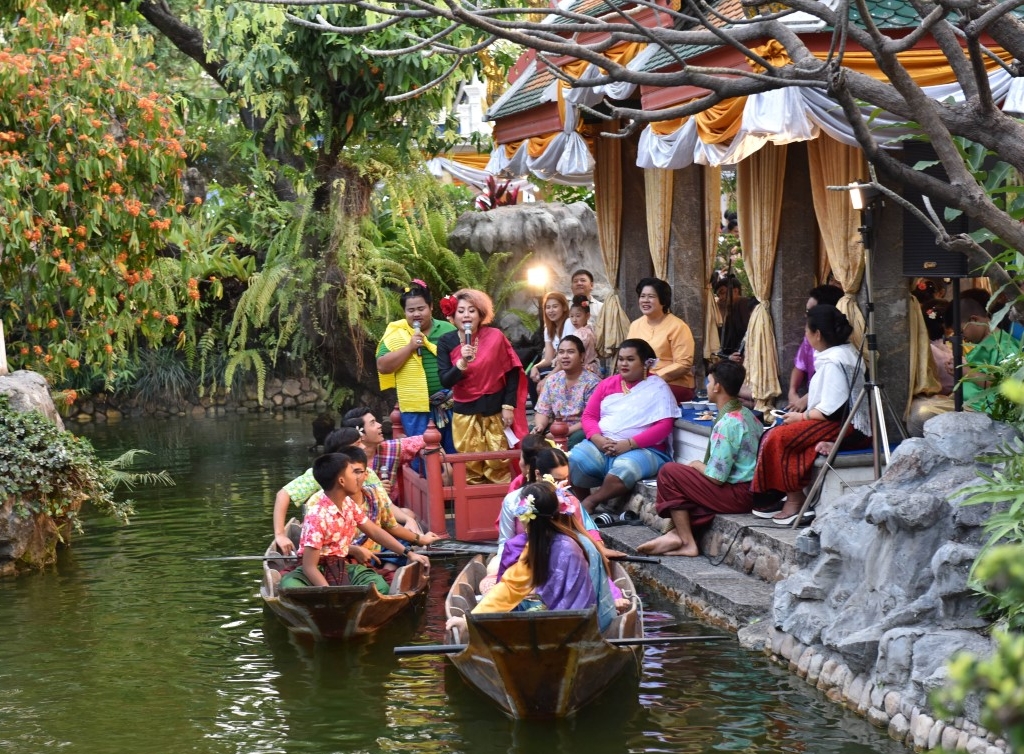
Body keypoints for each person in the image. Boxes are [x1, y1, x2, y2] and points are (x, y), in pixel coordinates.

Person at [446, 482, 621, 634]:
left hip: (576, 624)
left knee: (512, 608)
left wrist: (470, 621)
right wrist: (470, 620)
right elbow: (513, 586)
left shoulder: (561, 547)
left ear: (525, 517)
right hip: (581, 619)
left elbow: (512, 589)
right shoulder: (556, 542)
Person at [752, 305, 871, 525]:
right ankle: (782, 494)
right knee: (777, 433)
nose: (805, 336)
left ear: (817, 334)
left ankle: (795, 500)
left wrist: (802, 417)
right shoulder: (840, 354)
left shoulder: (835, 361)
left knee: (778, 436)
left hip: (846, 424)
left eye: (807, 331)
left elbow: (831, 410)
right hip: (837, 420)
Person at [638, 361, 763, 557]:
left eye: (709, 381)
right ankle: (674, 534)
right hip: (748, 491)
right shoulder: (748, 415)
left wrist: (696, 465)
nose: (706, 385)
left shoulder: (729, 423)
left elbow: (716, 478)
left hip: (739, 494)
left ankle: (686, 541)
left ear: (717, 387)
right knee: (684, 486)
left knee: (669, 473)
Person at [278, 452, 430, 591]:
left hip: (342, 565)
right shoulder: (317, 516)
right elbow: (309, 567)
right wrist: (330, 594)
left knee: (380, 587)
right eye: (353, 473)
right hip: (318, 568)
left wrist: (409, 554)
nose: (360, 478)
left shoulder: (347, 504)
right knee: (291, 587)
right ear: (342, 481)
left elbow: (375, 531)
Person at [569, 338, 679, 512]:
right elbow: (589, 416)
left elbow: (664, 426)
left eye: (630, 359)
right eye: (621, 359)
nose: (623, 364)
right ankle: (583, 503)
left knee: (626, 468)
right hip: (603, 444)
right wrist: (598, 440)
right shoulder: (607, 384)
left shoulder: (657, 387)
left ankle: (591, 502)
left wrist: (628, 444)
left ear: (645, 363)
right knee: (575, 458)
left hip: (645, 449)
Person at [437, 288, 528, 484]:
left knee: (498, 463)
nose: (466, 315)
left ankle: (500, 506)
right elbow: (445, 380)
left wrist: (508, 406)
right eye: (461, 311)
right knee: (470, 466)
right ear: (452, 316)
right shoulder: (446, 342)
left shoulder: (495, 336)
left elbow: (512, 371)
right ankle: (472, 509)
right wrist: (462, 362)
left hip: (495, 410)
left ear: (481, 313)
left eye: (472, 310)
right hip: (465, 413)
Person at [909, 294, 1021, 432]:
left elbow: (1009, 385)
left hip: (983, 412)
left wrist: (967, 372)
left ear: (974, 319)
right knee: (916, 405)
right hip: (966, 404)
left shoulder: (1005, 346)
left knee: (920, 416)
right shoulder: (981, 344)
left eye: (961, 332)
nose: (963, 338)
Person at [376, 280, 457, 452]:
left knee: (454, 451)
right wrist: (410, 347)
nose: (416, 314)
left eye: (421, 309)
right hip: (415, 408)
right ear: (404, 312)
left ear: (431, 307)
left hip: (450, 404)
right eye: (411, 310)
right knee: (423, 454)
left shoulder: (448, 329)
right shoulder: (396, 333)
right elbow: (382, 366)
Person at [272, 427, 362, 555]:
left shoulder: (368, 473)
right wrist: (280, 535)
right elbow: (283, 494)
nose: (362, 448)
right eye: (358, 445)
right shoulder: (320, 477)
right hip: (328, 545)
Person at [342, 407, 423, 519]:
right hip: (354, 516)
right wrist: (375, 493)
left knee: (409, 515)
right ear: (361, 434)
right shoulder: (342, 461)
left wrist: (447, 467)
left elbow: (429, 439)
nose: (380, 425)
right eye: (373, 423)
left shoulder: (389, 448)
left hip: (387, 511)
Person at [626, 277, 695, 402]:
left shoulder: (678, 327)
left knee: (637, 399)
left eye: (651, 297)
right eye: (642, 296)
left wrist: (653, 378)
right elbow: (628, 356)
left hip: (674, 384)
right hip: (639, 382)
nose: (645, 301)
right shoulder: (635, 325)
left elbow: (684, 364)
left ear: (663, 301)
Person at [532, 334, 600, 448]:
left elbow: (592, 418)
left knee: (577, 438)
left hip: (578, 431)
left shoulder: (592, 383)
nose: (565, 356)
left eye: (570, 352)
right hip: (554, 430)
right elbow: (543, 411)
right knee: (531, 435)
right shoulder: (552, 380)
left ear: (582, 356)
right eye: (561, 352)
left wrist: (564, 432)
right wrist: (540, 426)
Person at [786, 284, 844, 411]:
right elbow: (799, 365)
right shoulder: (810, 338)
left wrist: (803, 412)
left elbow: (829, 399)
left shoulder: (838, 355)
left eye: (810, 312)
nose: (806, 316)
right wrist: (792, 392)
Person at [528, 291, 573, 388]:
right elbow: (548, 359)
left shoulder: (569, 323)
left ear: (564, 308)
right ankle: (539, 404)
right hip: (558, 366)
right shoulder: (548, 329)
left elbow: (568, 357)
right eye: (548, 307)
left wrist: (547, 378)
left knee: (544, 382)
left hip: (570, 366)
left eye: (555, 306)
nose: (551, 310)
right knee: (533, 376)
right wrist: (535, 367)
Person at [568, 295, 601, 375]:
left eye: (578, 316)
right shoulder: (592, 329)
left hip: (582, 370)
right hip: (593, 368)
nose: (574, 320)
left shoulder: (580, 333)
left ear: (587, 316)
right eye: (571, 316)